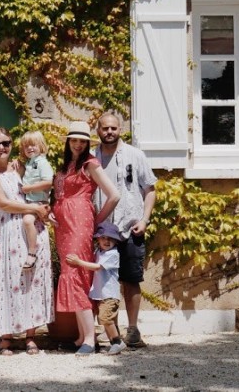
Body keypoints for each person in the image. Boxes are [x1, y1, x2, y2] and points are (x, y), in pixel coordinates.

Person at [0, 127, 54, 356]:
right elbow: (3, 203)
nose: (2, 147)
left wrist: (43, 207)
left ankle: (30, 335)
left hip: (32, 227)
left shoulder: (20, 166)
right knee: (11, 281)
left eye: (6, 142)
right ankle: (6, 336)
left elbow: (40, 187)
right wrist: (33, 207)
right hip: (10, 229)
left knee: (32, 281)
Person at [53, 120, 120, 356]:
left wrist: (96, 222)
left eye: (83, 140)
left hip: (80, 223)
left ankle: (90, 339)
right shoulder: (66, 164)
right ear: (69, 141)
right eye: (75, 140)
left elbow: (114, 195)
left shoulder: (90, 163)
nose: (79, 144)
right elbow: (58, 192)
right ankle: (82, 334)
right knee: (72, 273)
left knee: (76, 274)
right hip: (63, 226)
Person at [94, 111, 157, 348]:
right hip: (103, 230)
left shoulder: (135, 155)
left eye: (113, 128)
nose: (109, 132)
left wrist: (145, 219)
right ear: (98, 130)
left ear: (120, 129)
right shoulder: (91, 158)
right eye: (104, 128)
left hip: (131, 228)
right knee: (104, 282)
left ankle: (133, 330)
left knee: (131, 280)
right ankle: (112, 332)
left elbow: (150, 189)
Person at [66, 221, 126, 355]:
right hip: (101, 294)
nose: (107, 241)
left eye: (111, 239)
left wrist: (78, 262)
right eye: (103, 237)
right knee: (104, 318)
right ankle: (113, 343)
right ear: (98, 239)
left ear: (116, 242)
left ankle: (118, 342)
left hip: (109, 294)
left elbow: (97, 267)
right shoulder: (99, 251)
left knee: (105, 318)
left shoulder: (113, 254)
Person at [18, 130, 54, 270]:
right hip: (30, 202)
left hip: (39, 202)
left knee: (27, 221)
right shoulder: (29, 163)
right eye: (26, 146)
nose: (30, 148)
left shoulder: (42, 163)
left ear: (41, 146)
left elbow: (48, 182)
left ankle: (32, 253)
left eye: (33, 145)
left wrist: (29, 188)